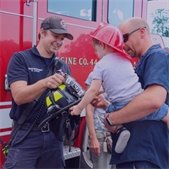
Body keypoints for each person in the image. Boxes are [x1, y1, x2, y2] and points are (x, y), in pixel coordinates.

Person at [70, 23, 169, 154]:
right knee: (166, 114)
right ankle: (121, 131)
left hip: (120, 107)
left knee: (109, 117)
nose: (95, 53)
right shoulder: (126, 60)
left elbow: (93, 90)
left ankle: (120, 130)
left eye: (95, 49)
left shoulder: (101, 65)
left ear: (103, 45)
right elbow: (120, 82)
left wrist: (78, 108)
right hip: (136, 99)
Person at [93, 17, 169, 169]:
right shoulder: (143, 61)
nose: (121, 44)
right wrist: (107, 105)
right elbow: (135, 102)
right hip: (138, 153)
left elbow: (152, 101)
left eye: (124, 37)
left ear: (142, 32)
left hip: (143, 152)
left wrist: (112, 119)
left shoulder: (157, 56)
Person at [4, 16, 73, 169]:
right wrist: (44, 83)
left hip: (55, 137)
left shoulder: (63, 66)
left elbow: (69, 102)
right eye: (55, 36)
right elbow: (19, 96)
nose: (59, 42)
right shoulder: (21, 59)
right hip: (27, 135)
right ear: (42, 32)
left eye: (62, 38)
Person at [85, 71, 112, 169]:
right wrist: (93, 138)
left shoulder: (123, 76)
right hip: (101, 136)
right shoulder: (95, 75)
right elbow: (89, 110)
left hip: (119, 134)